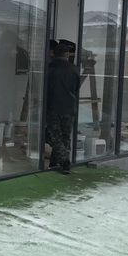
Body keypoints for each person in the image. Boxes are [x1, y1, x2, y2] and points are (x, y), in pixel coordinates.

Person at [46, 39, 80, 174]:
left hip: (54, 107)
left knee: (55, 136)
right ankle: (55, 162)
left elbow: (47, 89)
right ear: (67, 54)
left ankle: (64, 161)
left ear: (54, 54)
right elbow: (76, 88)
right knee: (66, 136)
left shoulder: (50, 69)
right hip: (69, 107)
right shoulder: (74, 69)